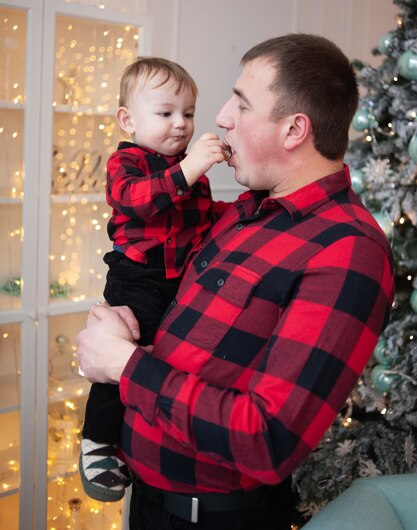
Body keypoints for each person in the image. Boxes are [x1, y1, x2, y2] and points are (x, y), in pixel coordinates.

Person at [75, 34, 395, 530]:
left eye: (240, 104)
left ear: (294, 129)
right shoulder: (244, 213)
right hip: (148, 502)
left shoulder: (347, 252)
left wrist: (123, 363)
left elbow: (266, 440)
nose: (220, 118)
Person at [79, 56, 229, 502]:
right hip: (137, 278)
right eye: (165, 113)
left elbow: (201, 222)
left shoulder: (188, 169)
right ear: (129, 119)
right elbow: (136, 202)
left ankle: (137, 436)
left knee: (162, 358)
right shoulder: (127, 161)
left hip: (179, 280)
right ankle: (96, 442)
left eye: (187, 113)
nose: (180, 124)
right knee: (118, 355)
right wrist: (188, 170)